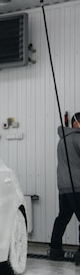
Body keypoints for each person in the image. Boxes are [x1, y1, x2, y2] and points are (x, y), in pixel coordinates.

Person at [49, 112, 80, 265]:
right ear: (75, 123)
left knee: (62, 218)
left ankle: (55, 250)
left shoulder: (62, 141)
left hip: (64, 187)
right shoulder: (78, 138)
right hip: (78, 186)